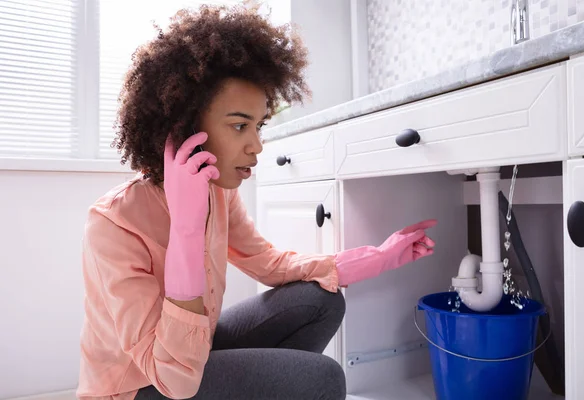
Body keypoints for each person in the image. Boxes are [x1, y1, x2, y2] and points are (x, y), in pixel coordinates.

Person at [76, 4, 436, 400]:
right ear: (183, 129)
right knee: (322, 378)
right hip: (144, 385)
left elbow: (267, 262)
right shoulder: (113, 224)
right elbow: (173, 378)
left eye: (259, 124)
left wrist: (378, 257)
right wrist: (186, 228)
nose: (257, 145)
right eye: (239, 125)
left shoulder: (219, 192)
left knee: (321, 300)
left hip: (194, 351)